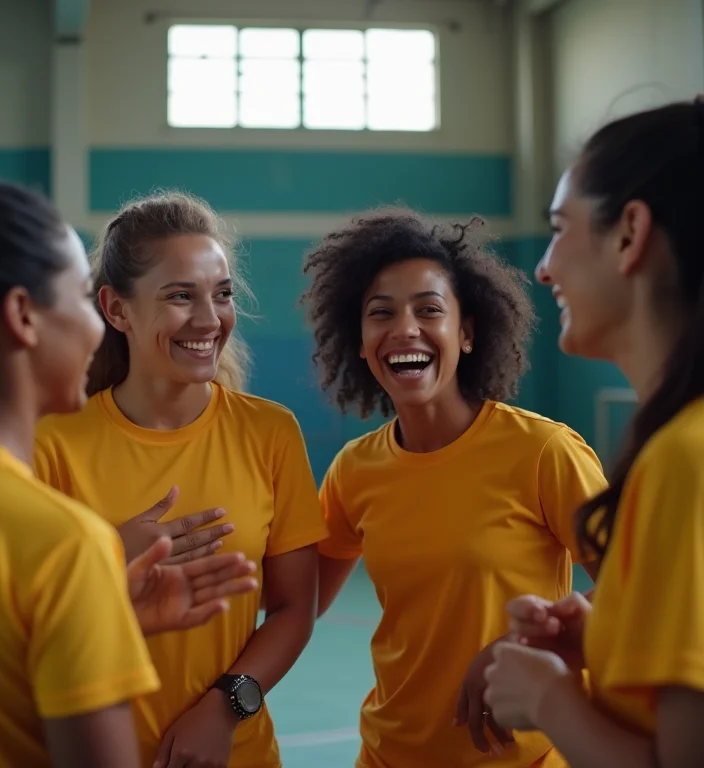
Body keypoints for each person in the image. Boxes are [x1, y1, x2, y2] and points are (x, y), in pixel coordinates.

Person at [0, 177, 259, 768]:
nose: (93, 326)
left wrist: (103, 618)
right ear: (23, 316)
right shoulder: (65, 543)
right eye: (80, 299)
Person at [299, 208, 607, 768]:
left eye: (429, 310)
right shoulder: (354, 470)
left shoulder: (543, 452)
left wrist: (530, 643)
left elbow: (642, 588)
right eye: (381, 313)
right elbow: (297, 602)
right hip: (387, 756)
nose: (404, 329)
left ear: (466, 333)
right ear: (361, 341)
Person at [34, 191, 328, 768]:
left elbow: (294, 609)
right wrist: (103, 560)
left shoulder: (269, 433)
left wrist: (225, 709)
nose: (209, 319)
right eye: (179, 296)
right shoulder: (53, 442)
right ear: (117, 310)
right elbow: (16, 630)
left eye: (222, 294)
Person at [483, 99, 704, 767]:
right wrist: (610, 637)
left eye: (559, 229)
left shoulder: (685, 459)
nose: (544, 267)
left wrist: (549, 699)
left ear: (629, 234)